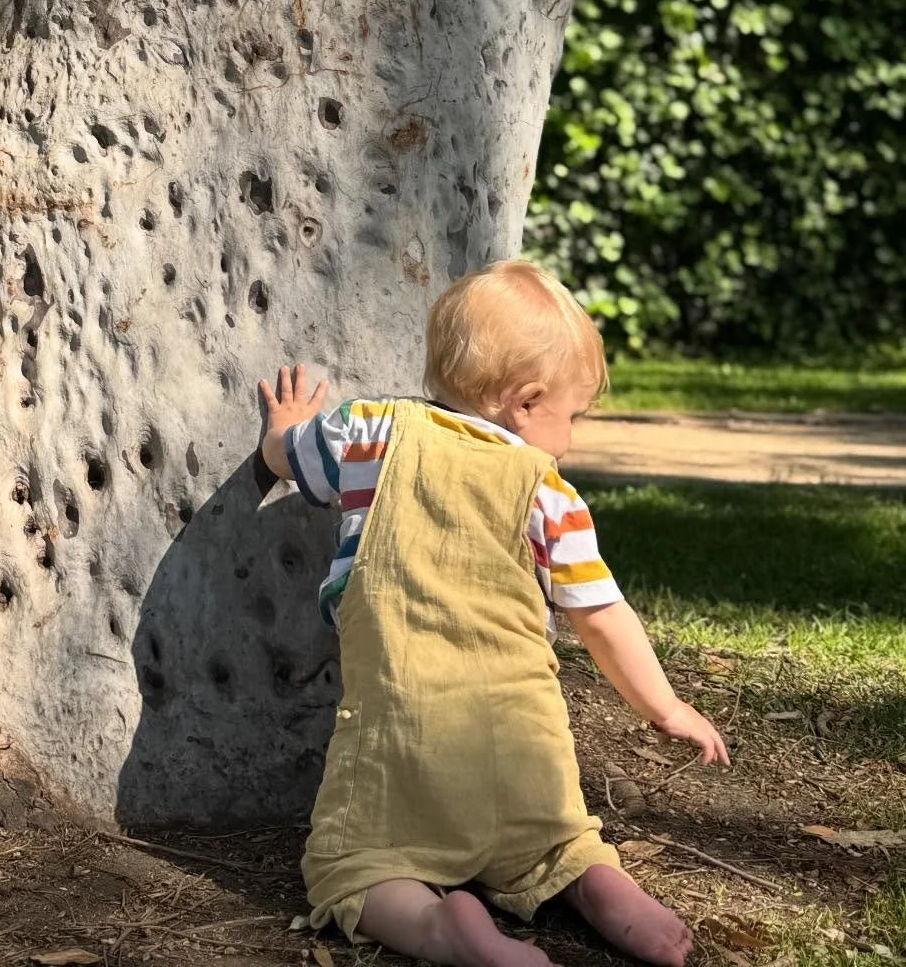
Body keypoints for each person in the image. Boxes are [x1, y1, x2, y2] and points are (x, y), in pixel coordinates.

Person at [257, 259, 728, 967]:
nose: (571, 437)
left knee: (350, 867)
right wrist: (666, 707)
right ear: (528, 402)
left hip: (399, 739)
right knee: (561, 844)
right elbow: (602, 614)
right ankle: (599, 888)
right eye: (573, 416)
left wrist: (284, 427)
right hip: (522, 743)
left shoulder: (370, 435)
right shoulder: (551, 495)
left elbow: (286, 458)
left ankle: (445, 932)